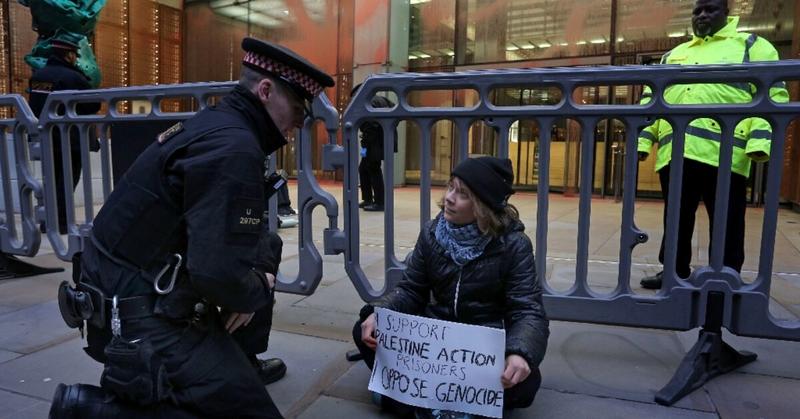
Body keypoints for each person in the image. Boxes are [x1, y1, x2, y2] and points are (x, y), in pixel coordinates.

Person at [50, 38, 334, 418]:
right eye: (298, 108)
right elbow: (217, 274)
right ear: (265, 91)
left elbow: (248, 234)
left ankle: (233, 363)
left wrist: (256, 276)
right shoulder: (234, 147)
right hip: (140, 317)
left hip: (123, 291)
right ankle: (92, 410)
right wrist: (253, 289)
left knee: (263, 255)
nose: (301, 121)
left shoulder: (220, 126)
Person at [353, 157, 549, 418]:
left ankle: (412, 401)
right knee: (365, 329)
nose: (450, 198)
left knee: (526, 382)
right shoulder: (432, 233)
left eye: (463, 194)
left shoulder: (513, 245)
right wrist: (380, 311)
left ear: (483, 206)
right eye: (451, 187)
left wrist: (519, 353)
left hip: (482, 348)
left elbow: (528, 311)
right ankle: (448, 404)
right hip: (435, 344)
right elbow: (412, 289)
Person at [638, 0, 789, 289]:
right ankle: (673, 271)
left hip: (725, 154)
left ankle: (725, 276)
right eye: (697, 10)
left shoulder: (752, 45)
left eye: (711, 9)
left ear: (727, 14)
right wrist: (644, 140)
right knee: (676, 219)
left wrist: (759, 142)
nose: (703, 15)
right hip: (676, 153)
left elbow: (772, 94)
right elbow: (651, 99)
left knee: (727, 222)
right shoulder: (675, 54)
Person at [28, 36, 101, 234]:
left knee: (50, 179)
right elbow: (94, 104)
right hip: (70, 139)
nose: (76, 58)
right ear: (68, 55)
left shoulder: (39, 76)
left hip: (45, 137)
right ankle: (62, 223)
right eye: (74, 55)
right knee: (67, 181)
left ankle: (48, 221)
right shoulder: (73, 77)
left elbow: (35, 105)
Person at [353, 83, 395, 212]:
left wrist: (367, 138)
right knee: (364, 168)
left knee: (373, 169)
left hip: (374, 143)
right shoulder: (381, 99)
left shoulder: (369, 101)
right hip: (379, 141)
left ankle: (379, 202)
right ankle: (368, 199)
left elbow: (371, 125)